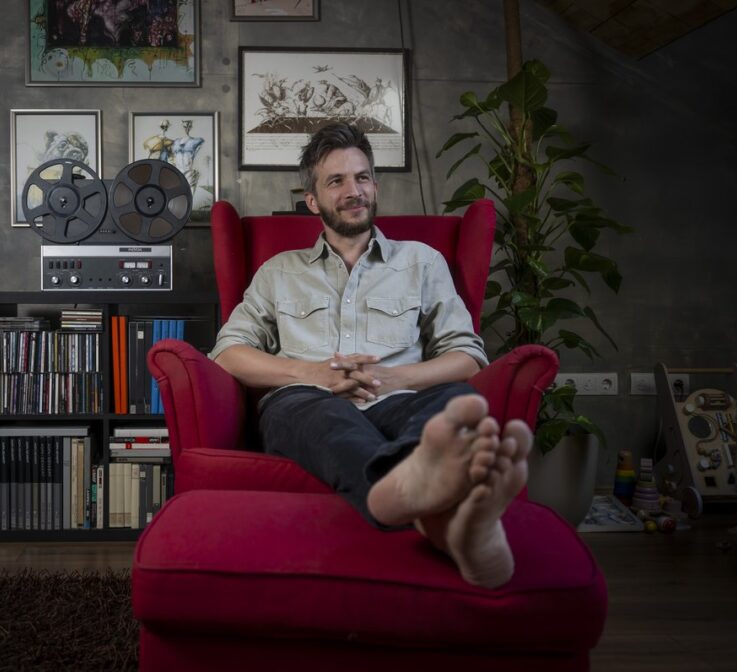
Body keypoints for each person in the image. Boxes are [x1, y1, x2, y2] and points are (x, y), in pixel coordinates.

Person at [209, 122, 533, 589]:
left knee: (452, 404)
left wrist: (397, 378)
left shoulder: (422, 262)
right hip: (307, 401)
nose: (353, 191)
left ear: (375, 186)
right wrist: (315, 374)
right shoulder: (278, 271)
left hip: (403, 397)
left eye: (362, 177)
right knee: (323, 416)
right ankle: (419, 503)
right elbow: (227, 353)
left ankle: (440, 516)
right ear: (312, 200)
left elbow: (467, 354)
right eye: (336, 181)